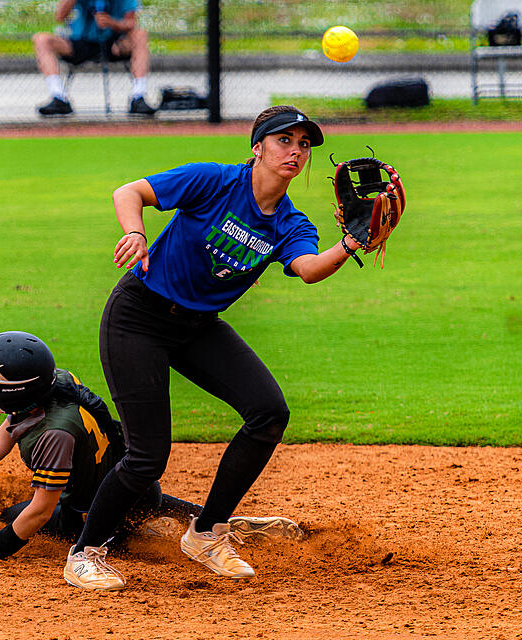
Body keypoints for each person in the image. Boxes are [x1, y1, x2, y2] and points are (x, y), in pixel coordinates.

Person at [62, 105, 363, 590]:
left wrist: (351, 243)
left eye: (304, 144)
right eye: (284, 140)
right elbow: (130, 192)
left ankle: (206, 532)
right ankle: (85, 552)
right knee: (147, 456)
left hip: (197, 326)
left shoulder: (290, 222)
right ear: (257, 147)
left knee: (268, 411)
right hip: (138, 317)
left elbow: (308, 267)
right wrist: (135, 232)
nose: (296, 151)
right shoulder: (214, 180)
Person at [0, 331, 300, 579]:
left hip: (97, 513)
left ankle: (141, 534)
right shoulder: (57, 385)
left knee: (13, 515)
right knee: (138, 499)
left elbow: (38, 512)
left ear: (16, 391)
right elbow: (0, 439)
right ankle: (212, 522)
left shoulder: (53, 436)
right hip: (139, 487)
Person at [32, 0, 157, 117]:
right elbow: (59, 17)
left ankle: (138, 96)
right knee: (42, 39)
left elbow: (131, 23)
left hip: (114, 43)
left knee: (140, 35)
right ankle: (58, 97)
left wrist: (111, 23)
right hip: (79, 42)